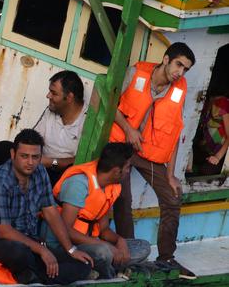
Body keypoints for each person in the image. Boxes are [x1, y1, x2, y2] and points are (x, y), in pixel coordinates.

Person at [110, 42, 196, 279]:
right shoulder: (135, 73)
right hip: (123, 149)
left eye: (186, 69)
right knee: (122, 198)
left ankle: (166, 257)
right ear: (166, 59)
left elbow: (175, 132)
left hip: (151, 154)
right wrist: (128, 129)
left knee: (172, 197)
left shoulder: (180, 90)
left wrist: (170, 174)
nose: (180, 72)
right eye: (179, 64)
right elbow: (109, 104)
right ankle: (131, 255)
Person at [0, 129, 93, 285]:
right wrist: (42, 250)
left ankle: (34, 274)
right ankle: (40, 273)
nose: (30, 162)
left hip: (29, 242)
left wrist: (71, 249)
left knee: (83, 264)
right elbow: (4, 232)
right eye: (24, 156)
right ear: (13, 154)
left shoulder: (40, 172)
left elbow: (51, 212)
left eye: (35, 157)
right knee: (20, 253)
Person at [47, 142, 151, 279]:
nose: (128, 171)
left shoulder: (110, 186)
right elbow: (65, 230)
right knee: (104, 253)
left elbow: (104, 230)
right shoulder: (78, 184)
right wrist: (106, 246)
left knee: (143, 247)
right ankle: (106, 272)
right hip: (65, 247)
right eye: (127, 167)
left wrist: (120, 241)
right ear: (116, 171)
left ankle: (96, 269)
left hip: (90, 244)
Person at [33, 70, 87, 185]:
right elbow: (34, 138)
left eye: (54, 93)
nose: (48, 96)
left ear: (69, 98)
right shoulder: (51, 110)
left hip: (66, 177)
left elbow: (80, 161)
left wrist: (50, 162)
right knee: (4, 148)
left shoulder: (87, 120)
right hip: (40, 166)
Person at [193, 87, 229, 175]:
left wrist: (217, 157)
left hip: (220, 153)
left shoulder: (223, 102)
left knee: (205, 171)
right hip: (207, 149)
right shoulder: (206, 102)